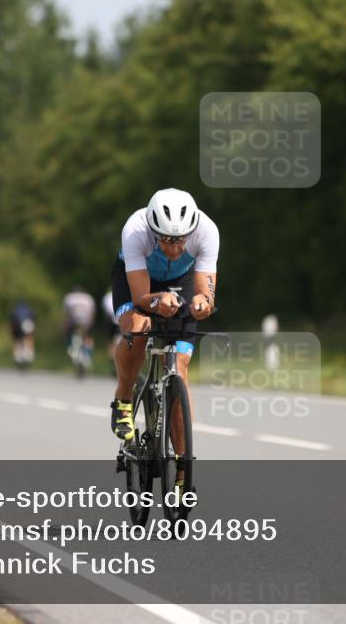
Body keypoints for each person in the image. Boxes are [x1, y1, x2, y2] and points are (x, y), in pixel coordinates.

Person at [109, 188, 219, 477]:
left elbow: (207, 293)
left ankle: (183, 472)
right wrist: (157, 301)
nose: (174, 248)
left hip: (182, 279)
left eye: (181, 240)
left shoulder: (207, 230)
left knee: (180, 368)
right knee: (138, 327)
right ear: (153, 232)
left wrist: (201, 303)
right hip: (138, 278)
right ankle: (123, 396)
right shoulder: (135, 230)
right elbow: (142, 297)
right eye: (167, 241)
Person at [63, 285, 96, 355]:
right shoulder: (88, 298)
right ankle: (89, 352)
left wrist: (65, 324)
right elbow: (92, 313)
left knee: (69, 333)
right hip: (86, 321)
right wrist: (91, 323)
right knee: (88, 336)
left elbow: (67, 313)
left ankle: (70, 347)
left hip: (73, 321)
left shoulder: (69, 298)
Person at [10, 300, 36, 366]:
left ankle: (17, 355)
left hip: (17, 326)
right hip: (27, 324)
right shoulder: (29, 310)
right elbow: (33, 318)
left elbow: (12, 320)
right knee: (29, 337)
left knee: (17, 339)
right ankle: (30, 353)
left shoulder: (15, 310)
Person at [101, 288, 119, 374]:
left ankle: (112, 361)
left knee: (111, 342)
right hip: (124, 321)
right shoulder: (127, 292)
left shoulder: (107, 296)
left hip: (112, 322)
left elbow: (106, 312)